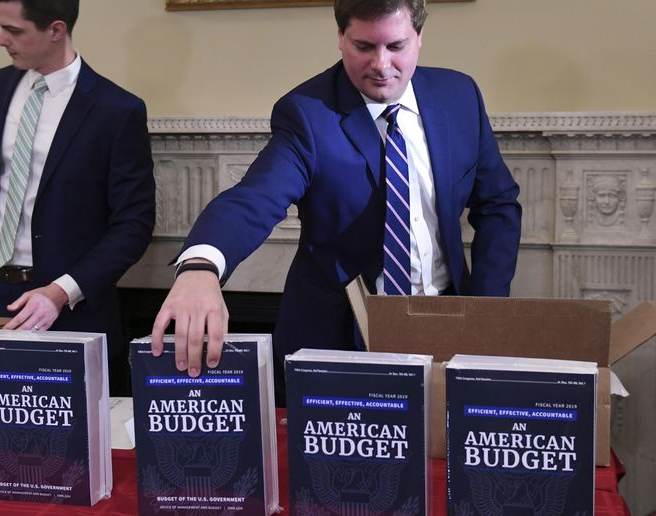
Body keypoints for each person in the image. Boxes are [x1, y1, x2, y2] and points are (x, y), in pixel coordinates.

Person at [152, 0, 522, 378]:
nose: (381, 65)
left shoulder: (458, 97)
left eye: (396, 46)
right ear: (341, 38)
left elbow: (498, 205)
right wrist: (200, 267)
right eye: (364, 47)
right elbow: (254, 198)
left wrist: (486, 311)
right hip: (340, 338)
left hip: (448, 323)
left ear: (419, 38)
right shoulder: (308, 114)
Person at [0, 0, 155, 354]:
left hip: (69, 306)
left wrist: (59, 293)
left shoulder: (117, 111)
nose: (0, 40)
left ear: (56, 30)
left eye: (13, 31)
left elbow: (134, 224)